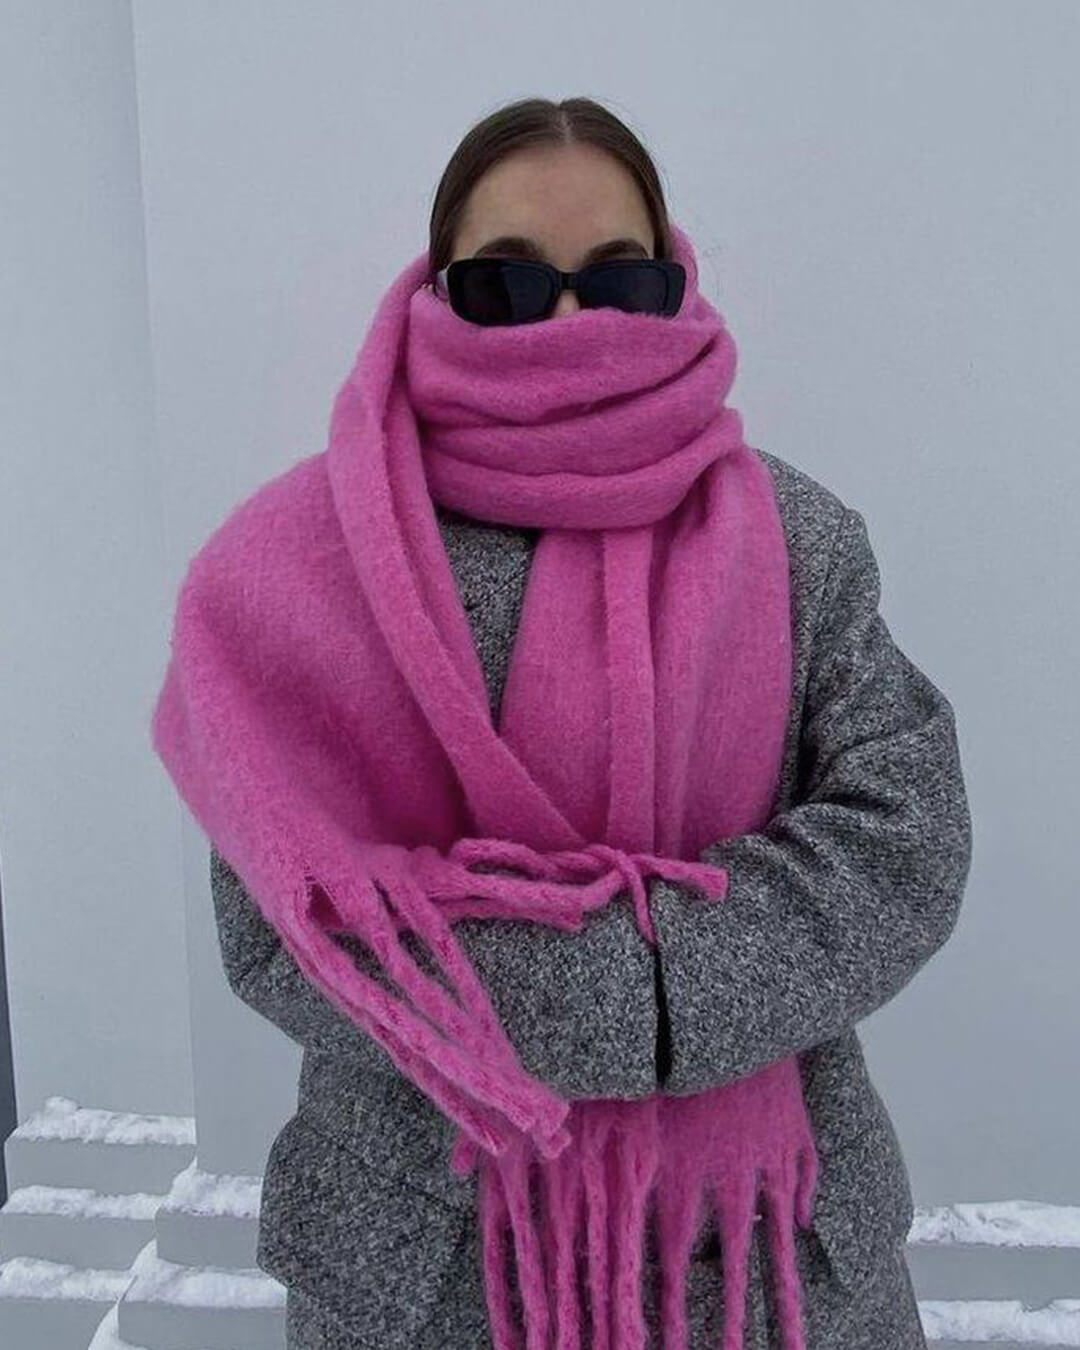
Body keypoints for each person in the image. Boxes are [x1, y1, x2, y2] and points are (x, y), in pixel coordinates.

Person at [207, 96, 971, 1349]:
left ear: (674, 285)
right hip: (429, 1270)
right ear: (435, 293)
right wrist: (630, 997)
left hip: (768, 1264)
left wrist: (660, 996)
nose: (569, 322)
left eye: (620, 281)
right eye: (506, 283)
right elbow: (286, 913)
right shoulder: (309, 563)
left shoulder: (801, 540)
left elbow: (903, 841)